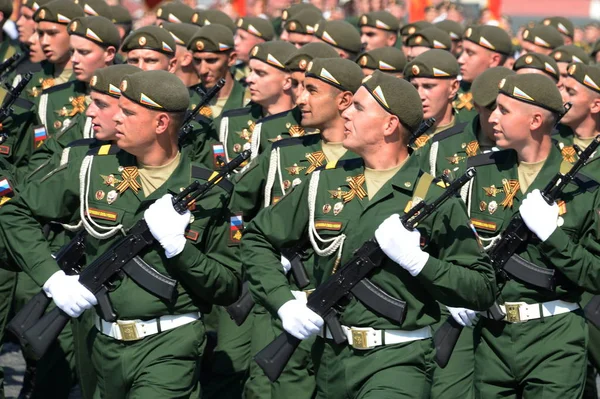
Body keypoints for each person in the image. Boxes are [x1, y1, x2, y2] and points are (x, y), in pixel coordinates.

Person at [242, 70, 495, 399]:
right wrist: (283, 302)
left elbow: (482, 287)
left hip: (398, 362)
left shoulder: (431, 196)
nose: (345, 112)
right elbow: (257, 237)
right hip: (328, 360)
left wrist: (419, 262)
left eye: (359, 108)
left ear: (390, 125)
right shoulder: (324, 184)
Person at [0, 70, 242, 398]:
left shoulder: (211, 190)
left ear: (161, 124)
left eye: (128, 112)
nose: (116, 117)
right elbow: (16, 211)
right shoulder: (91, 169)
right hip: (100, 344)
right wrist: (53, 278)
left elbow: (228, 286)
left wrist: (178, 248)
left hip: (170, 345)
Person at [232, 57, 363, 399]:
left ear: (345, 100)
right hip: (283, 303)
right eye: (300, 88)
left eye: (311, 90)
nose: (300, 98)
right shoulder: (283, 154)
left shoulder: (369, 161)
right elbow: (235, 208)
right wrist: (264, 265)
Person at [463, 73, 597, 398]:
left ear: (536, 120)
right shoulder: (479, 172)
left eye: (504, 111)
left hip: (555, 335)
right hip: (490, 337)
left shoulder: (584, 181)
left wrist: (553, 235)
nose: (492, 117)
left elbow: (595, 273)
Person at [218, 40, 297, 168]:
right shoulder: (231, 124)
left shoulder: (309, 127)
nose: (249, 79)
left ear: (287, 82)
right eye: (250, 71)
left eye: (260, 73)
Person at [457, 25, 512, 122]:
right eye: (462, 52)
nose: (460, 60)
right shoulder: (454, 89)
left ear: (494, 60)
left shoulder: (508, 96)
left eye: (470, 53)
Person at [233, 16, 275, 83]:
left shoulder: (272, 76)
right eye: (236, 36)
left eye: (242, 38)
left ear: (261, 43)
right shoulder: (233, 71)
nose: (235, 42)